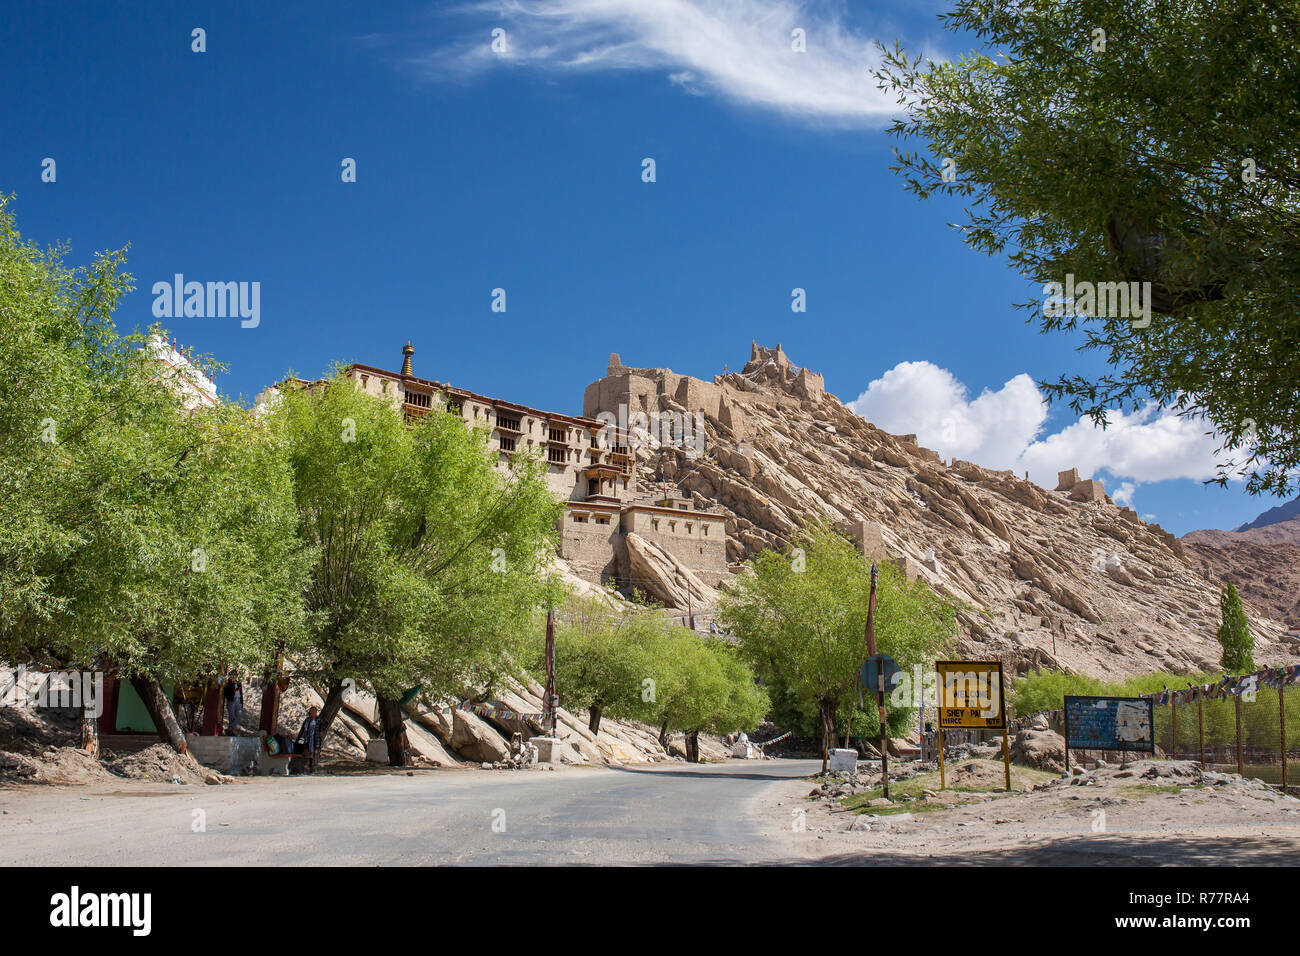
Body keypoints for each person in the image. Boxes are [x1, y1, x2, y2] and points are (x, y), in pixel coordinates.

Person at [294, 706, 320, 774]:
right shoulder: (307, 720)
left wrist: (320, 735)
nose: (312, 713)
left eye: (313, 712)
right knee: (306, 756)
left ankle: (313, 771)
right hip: (306, 741)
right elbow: (302, 730)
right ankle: (306, 770)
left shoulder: (318, 721)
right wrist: (298, 739)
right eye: (311, 711)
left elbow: (322, 729)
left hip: (315, 742)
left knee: (314, 757)